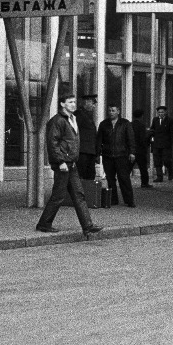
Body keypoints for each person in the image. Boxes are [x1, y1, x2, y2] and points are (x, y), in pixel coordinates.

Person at [36, 94, 102, 238]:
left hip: (70, 163)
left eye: (74, 102)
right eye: (70, 102)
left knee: (79, 194)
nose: (73, 104)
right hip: (64, 164)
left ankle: (87, 226)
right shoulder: (57, 121)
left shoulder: (72, 119)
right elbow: (52, 143)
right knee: (58, 196)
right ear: (62, 104)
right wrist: (60, 162)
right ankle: (44, 224)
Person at [98, 103, 137, 208]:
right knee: (110, 179)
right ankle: (113, 199)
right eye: (109, 110)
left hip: (122, 155)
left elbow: (131, 139)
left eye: (113, 110)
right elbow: (99, 140)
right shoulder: (103, 124)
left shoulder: (125, 123)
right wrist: (98, 154)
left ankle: (129, 200)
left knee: (124, 178)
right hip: (108, 155)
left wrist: (132, 152)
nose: (111, 112)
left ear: (118, 111)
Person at [76, 94, 100, 181]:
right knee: (82, 175)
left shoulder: (88, 116)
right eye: (93, 103)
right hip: (82, 152)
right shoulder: (78, 115)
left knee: (90, 176)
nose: (94, 106)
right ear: (86, 102)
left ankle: (88, 194)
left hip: (89, 152)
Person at [150, 105, 173, 182]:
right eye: (159, 112)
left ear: (165, 112)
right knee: (157, 161)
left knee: (166, 160)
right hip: (157, 144)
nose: (160, 114)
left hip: (166, 144)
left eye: (162, 112)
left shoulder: (170, 120)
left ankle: (170, 171)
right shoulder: (155, 120)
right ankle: (159, 177)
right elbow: (152, 129)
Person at [131, 108, 152, 188]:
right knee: (143, 168)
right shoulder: (141, 125)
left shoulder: (130, 124)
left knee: (128, 167)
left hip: (132, 150)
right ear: (141, 116)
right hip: (140, 150)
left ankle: (124, 182)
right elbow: (142, 138)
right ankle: (144, 183)